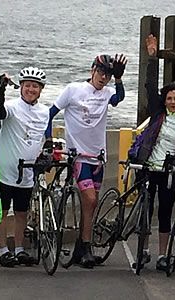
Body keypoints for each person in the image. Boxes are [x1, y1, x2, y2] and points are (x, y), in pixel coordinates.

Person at [44, 53, 127, 268]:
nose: (103, 77)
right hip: (78, 156)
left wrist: (119, 80)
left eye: (108, 75)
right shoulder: (73, 90)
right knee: (89, 199)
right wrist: (48, 139)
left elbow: (119, 99)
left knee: (91, 206)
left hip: (98, 157)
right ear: (92, 70)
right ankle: (85, 246)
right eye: (100, 72)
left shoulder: (108, 92)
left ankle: (83, 247)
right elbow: (50, 114)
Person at [132, 35, 175, 271]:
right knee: (145, 212)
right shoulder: (159, 113)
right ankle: (144, 251)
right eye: (169, 98)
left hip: (170, 172)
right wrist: (152, 57)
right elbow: (150, 86)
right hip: (149, 168)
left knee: (166, 213)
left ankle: (162, 255)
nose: (172, 102)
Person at [0, 67, 49, 267]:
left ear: (40, 90)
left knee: (22, 213)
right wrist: (0, 89)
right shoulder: (12, 106)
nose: (30, 89)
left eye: (35, 86)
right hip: (5, 169)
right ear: (21, 87)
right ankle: (3, 251)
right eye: (27, 85)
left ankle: (20, 250)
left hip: (27, 172)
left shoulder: (44, 112)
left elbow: (41, 137)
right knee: (3, 211)